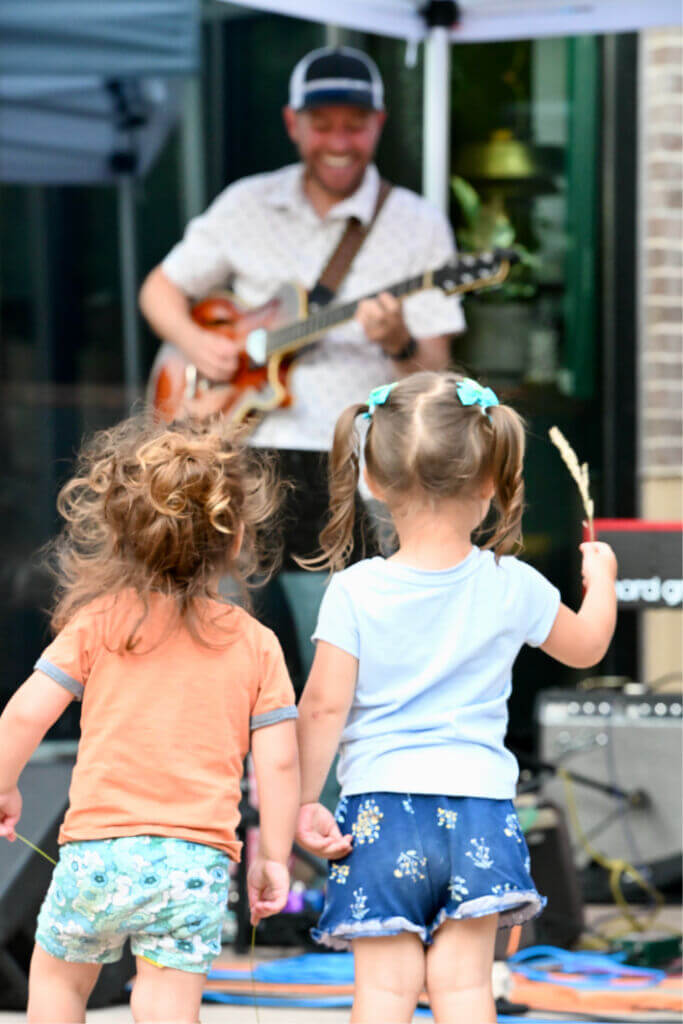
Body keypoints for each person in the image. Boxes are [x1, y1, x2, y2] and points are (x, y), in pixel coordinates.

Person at [294, 371, 617, 1024]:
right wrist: (602, 578)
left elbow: (323, 708)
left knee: (384, 990)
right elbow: (585, 648)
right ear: (492, 482)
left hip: (380, 812)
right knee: (465, 986)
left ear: (374, 483)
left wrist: (302, 801)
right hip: (479, 812)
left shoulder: (356, 590)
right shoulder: (512, 583)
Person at [139, 45, 465, 692]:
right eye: (323, 125)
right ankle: (238, 789)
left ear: (378, 123)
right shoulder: (247, 204)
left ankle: (329, 793)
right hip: (238, 453)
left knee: (335, 659)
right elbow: (159, 290)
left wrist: (397, 339)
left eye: (354, 124)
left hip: (348, 462)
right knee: (222, 647)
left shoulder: (416, 224)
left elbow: (435, 366)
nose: (338, 141)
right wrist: (198, 346)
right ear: (293, 123)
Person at [0, 415, 299, 1024]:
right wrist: (274, 852)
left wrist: (4, 785)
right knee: (166, 1003)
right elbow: (281, 760)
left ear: (123, 533)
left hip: (97, 853)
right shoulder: (255, 643)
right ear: (235, 536)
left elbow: (24, 713)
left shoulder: (99, 622)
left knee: (57, 983)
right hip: (193, 864)